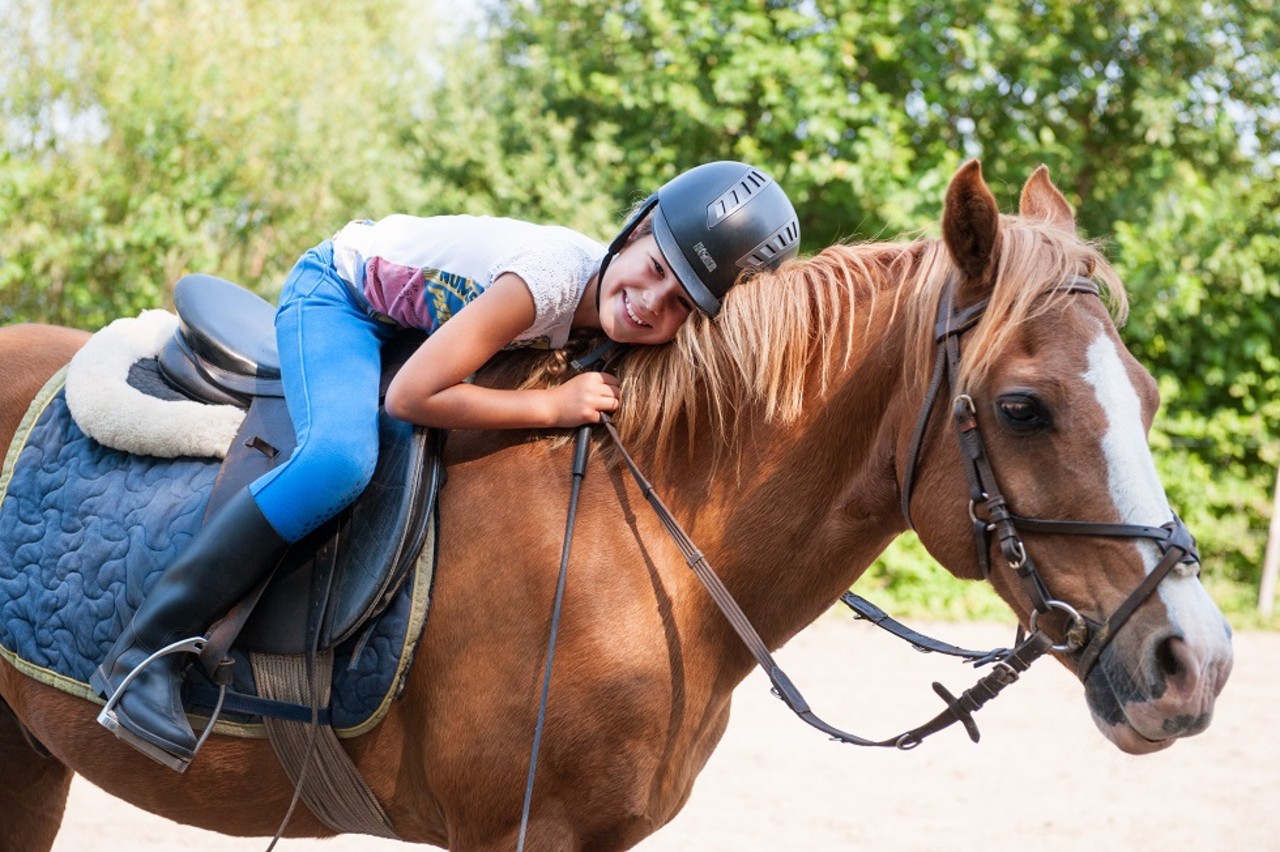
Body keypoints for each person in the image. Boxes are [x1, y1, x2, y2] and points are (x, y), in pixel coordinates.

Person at [89, 160, 801, 770]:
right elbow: (411, 395)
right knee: (337, 460)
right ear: (634, 231)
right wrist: (551, 409)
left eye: (679, 304)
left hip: (410, 322)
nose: (650, 304)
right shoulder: (547, 282)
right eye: (653, 272)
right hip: (341, 297)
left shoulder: (616, 304)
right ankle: (147, 649)